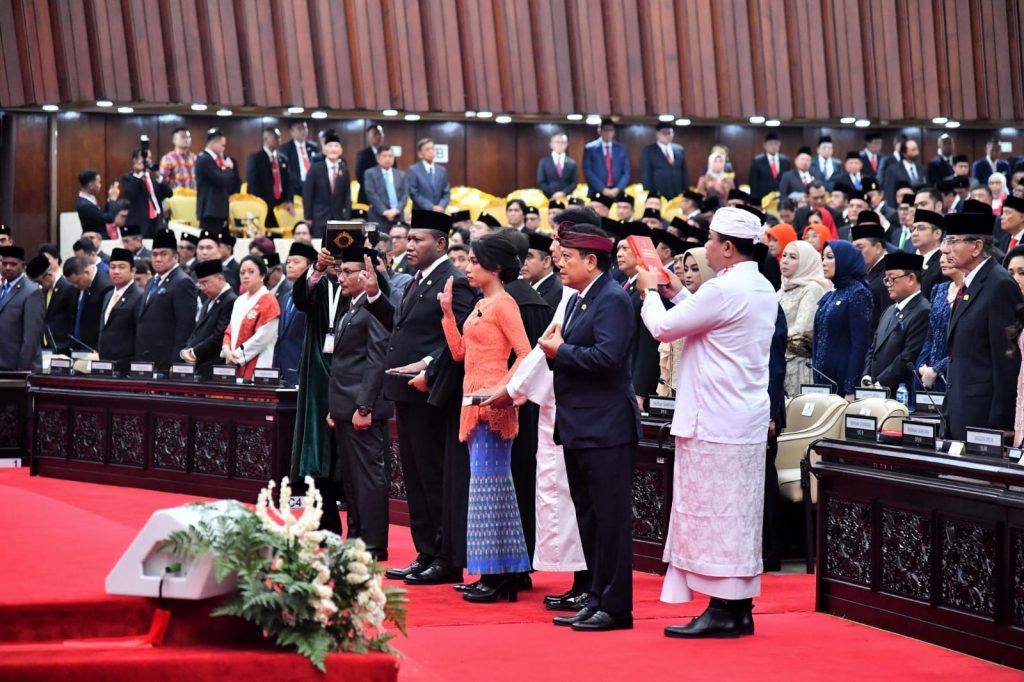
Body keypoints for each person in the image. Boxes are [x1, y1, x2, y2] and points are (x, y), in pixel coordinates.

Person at [637, 206, 776, 638]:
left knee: (716, 515)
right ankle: (737, 607)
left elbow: (663, 328)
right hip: (740, 417)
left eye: (712, 240)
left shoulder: (723, 289)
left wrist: (649, 293)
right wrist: (677, 291)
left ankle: (722, 608)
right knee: (739, 514)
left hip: (714, 419)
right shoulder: (760, 285)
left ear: (728, 248)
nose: (707, 247)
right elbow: (709, 319)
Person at [364, 210, 476, 585]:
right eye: (408, 239)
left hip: (433, 393)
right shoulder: (418, 280)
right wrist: (375, 295)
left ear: (441, 244)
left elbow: (460, 336)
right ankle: (426, 551)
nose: (408, 246)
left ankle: (446, 557)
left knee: (433, 476)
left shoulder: (455, 281)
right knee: (415, 479)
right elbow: (403, 328)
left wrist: (428, 366)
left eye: (417, 240)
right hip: (405, 391)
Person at [538, 222, 640, 632]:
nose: (560, 264)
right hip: (580, 424)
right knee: (589, 518)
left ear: (591, 261)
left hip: (606, 426)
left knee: (610, 521)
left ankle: (616, 606)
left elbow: (607, 358)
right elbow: (571, 354)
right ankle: (596, 597)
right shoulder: (580, 299)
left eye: (568, 258)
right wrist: (555, 352)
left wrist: (561, 350)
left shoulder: (612, 298)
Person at [435, 234, 532, 602]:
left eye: (475, 262)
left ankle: (497, 574)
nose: (468, 267)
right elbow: (460, 354)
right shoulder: (480, 304)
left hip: (493, 405)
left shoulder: (504, 305)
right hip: (472, 402)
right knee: (488, 490)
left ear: (495, 267)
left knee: (490, 492)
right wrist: (448, 314)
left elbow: (525, 353)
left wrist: (504, 390)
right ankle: (500, 573)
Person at [325, 246, 392, 560]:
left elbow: (376, 360)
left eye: (347, 272)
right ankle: (356, 538)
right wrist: (335, 406)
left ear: (366, 275)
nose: (340, 278)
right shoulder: (351, 306)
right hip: (345, 407)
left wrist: (364, 406)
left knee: (369, 478)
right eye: (339, 272)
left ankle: (373, 544)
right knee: (351, 479)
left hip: (362, 409)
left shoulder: (374, 307)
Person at [941, 210, 1022, 439]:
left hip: (984, 418)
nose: (945, 249)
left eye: (953, 241)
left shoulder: (999, 284)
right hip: (959, 410)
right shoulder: (969, 283)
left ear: (976, 247)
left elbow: (1007, 359)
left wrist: (1003, 421)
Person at [289, 243, 347, 533]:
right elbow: (300, 297)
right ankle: (324, 524)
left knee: (346, 453)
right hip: (316, 376)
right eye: (333, 260)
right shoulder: (320, 282)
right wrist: (318, 267)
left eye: (343, 262)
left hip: (350, 377)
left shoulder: (358, 286)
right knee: (316, 451)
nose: (338, 266)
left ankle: (358, 531)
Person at [862, 253, 930, 397]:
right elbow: (873, 348)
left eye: (892, 279)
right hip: (875, 389)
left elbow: (908, 357)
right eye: (886, 279)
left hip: (899, 392)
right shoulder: (889, 310)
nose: (888, 284)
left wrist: (879, 383)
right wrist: (867, 377)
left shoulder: (923, 311)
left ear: (911, 278)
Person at [813, 240, 874, 399]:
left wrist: (850, 388)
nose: (824, 262)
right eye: (823, 258)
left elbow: (859, 344)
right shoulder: (833, 293)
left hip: (841, 380)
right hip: (823, 379)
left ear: (844, 260)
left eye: (830, 257)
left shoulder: (858, 293)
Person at [656, 248, 716, 399]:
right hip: (674, 390)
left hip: (701, 392)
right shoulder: (681, 305)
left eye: (695, 269)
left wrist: (650, 293)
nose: (688, 275)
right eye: (686, 269)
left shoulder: (713, 308)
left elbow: (660, 329)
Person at [134, 228, 198, 368]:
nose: (158, 259)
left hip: (166, 360)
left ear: (176, 257)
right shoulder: (152, 281)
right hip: (145, 357)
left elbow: (185, 327)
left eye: (164, 254)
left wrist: (175, 363)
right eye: (154, 254)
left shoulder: (182, 282)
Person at [778, 240, 830, 397]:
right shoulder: (781, 290)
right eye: (784, 255)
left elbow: (801, 333)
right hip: (779, 361)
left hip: (800, 365)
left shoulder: (812, 289)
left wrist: (770, 336)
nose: (785, 260)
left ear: (806, 262)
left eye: (793, 257)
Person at [221, 255, 281, 380]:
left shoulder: (269, 300)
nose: (246, 276)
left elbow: (263, 337)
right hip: (233, 361)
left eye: (251, 272)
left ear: (262, 275)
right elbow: (230, 329)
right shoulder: (239, 300)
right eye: (242, 272)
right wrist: (226, 349)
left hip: (258, 364)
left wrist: (237, 355)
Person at [180, 259, 237, 375]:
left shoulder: (231, 300)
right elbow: (197, 331)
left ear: (220, 278)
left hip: (214, 366)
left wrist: (194, 352)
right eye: (199, 283)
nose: (201, 287)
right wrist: (185, 351)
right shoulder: (209, 300)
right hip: (198, 363)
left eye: (205, 282)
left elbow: (218, 336)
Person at [916, 252, 961, 394]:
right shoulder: (939, 289)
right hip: (928, 375)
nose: (942, 260)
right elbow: (931, 336)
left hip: (955, 374)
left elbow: (966, 345)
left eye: (948, 254)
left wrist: (938, 369)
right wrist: (922, 366)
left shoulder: (972, 292)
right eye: (941, 254)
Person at [0, 246, 45, 371]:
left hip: (18, 367)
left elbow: (31, 338)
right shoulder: (2, 288)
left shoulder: (32, 292)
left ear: (23, 266)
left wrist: (22, 370)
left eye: (13, 264)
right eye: (5, 263)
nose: (8, 267)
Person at [302, 132, 351, 238]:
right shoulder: (315, 168)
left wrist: (347, 216)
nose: (333, 149)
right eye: (330, 146)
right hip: (319, 218)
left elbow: (347, 194)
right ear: (324, 150)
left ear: (341, 150)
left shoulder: (344, 169)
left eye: (336, 146)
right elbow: (307, 193)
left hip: (338, 218)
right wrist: (308, 216)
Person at [97, 248, 142, 363]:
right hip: (105, 361)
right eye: (112, 267)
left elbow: (141, 335)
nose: (116, 271)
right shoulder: (108, 295)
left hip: (127, 363)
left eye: (122, 267)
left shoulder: (139, 296)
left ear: (132, 270)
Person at [26, 254, 76, 355]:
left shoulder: (67, 288)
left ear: (49, 275)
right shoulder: (44, 291)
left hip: (62, 346)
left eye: (39, 282)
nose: (39, 285)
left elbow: (72, 318)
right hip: (46, 346)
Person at [62, 256, 113, 352]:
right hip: (76, 345)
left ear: (87, 272)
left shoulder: (105, 287)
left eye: (77, 282)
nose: (75, 286)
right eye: (72, 283)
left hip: (93, 348)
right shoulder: (78, 287)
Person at [245, 127, 292, 228]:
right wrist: (257, 204)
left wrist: (289, 200)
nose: (279, 140)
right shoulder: (255, 158)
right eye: (276, 137)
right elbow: (252, 183)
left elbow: (288, 182)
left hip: (280, 205)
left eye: (279, 137)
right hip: (263, 204)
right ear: (266, 139)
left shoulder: (283, 159)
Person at [195, 129, 240, 232]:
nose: (224, 149)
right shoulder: (204, 159)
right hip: (209, 210)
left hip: (219, 210)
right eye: (222, 145)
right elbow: (220, 179)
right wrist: (229, 169)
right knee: (209, 238)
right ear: (214, 144)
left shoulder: (220, 159)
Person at [851, 216, 890, 334]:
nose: (855, 254)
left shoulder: (889, 273)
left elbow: (886, 320)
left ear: (878, 247)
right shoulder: (862, 272)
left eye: (859, 248)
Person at [582, 119, 629, 200]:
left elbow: (626, 172)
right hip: (597, 191)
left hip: (617, 192)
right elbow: (587, 170)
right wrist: (602, 189)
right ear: (599, 131)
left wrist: (618, 188)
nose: (608, 133)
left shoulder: (621, 148)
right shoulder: (590, 148)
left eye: (611, 130)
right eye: (606, 130)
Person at [640, 122, 688, 202]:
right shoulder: (649, 150)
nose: (667, 135)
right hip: (658, 192)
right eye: (664, 133)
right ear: (657, 134)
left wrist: (686, 189)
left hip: (678, 192)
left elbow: (684, 171)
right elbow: (646, 173)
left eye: (669, 133)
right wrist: (649, 193)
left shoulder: (679, 149)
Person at [363, 146, 408, 230]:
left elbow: (405, 195)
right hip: (378, 216)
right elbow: (371, 194)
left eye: (390, 156)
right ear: (377, 158)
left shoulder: (401, 174)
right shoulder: (369, 173)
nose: (388, 159)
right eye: (384, 156)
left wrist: (396, 210)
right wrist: (385, 212)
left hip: (398, 216)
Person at [406, 138, 451, 211]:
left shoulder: (442, 170)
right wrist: (431, 207)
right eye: (427, 149)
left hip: (439, 211)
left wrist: (441, 206)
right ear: (420, 154)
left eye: (433, 148)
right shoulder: (413, 170)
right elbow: (413, 193)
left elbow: (446, 193)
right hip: (421, 212)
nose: (431, 151)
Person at [522, 232, 562, 310]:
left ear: (546, 261)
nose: (523, 263)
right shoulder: (523, 288)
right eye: (522, 257)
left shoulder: (557, 293)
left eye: (529, 257)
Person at [280, 120, 320, 199]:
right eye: (299, 128)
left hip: (315, 188)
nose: (303, 131)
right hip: (295, 189)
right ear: (291, 132)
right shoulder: (285, 149)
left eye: (305, 128)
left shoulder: (314, 148)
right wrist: (303, 184)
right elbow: (287, 172)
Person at [748, 132, 791, 203]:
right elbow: (753, 182)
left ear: (779, 145)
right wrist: (755, 201)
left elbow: (788, 180)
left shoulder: (785, 160)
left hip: (781, 199)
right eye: (770, 144)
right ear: (765, 145)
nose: (773, 146)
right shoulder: (757, 160)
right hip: (762, 199)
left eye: (775, 143)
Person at [76, 169, 121, 235]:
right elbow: (108, 218)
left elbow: (102, 215)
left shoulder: (90, 198)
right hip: (95, 238)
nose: (100, 185)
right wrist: (113, 200)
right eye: (99, 182)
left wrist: (109, 199)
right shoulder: (85, 205)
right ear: (91, 185)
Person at [537, 132, 578, 199]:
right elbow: (541, 181)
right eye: (557, 142)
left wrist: (563, 193)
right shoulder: (543, 162)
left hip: (567, 197)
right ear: (551, 145)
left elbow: (574, 182)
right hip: (549, 197)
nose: (560, 145)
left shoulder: (572, 163)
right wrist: (553, 194)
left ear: (566, 145)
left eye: (563, 142)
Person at [355, 123, 384, 204]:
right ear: (368, 137)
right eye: (375, 134)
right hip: (366, 196)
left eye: (380, 134)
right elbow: (360, 176)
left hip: (384, 196)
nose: (378, 136)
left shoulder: (388, 153)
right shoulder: (362, 154)